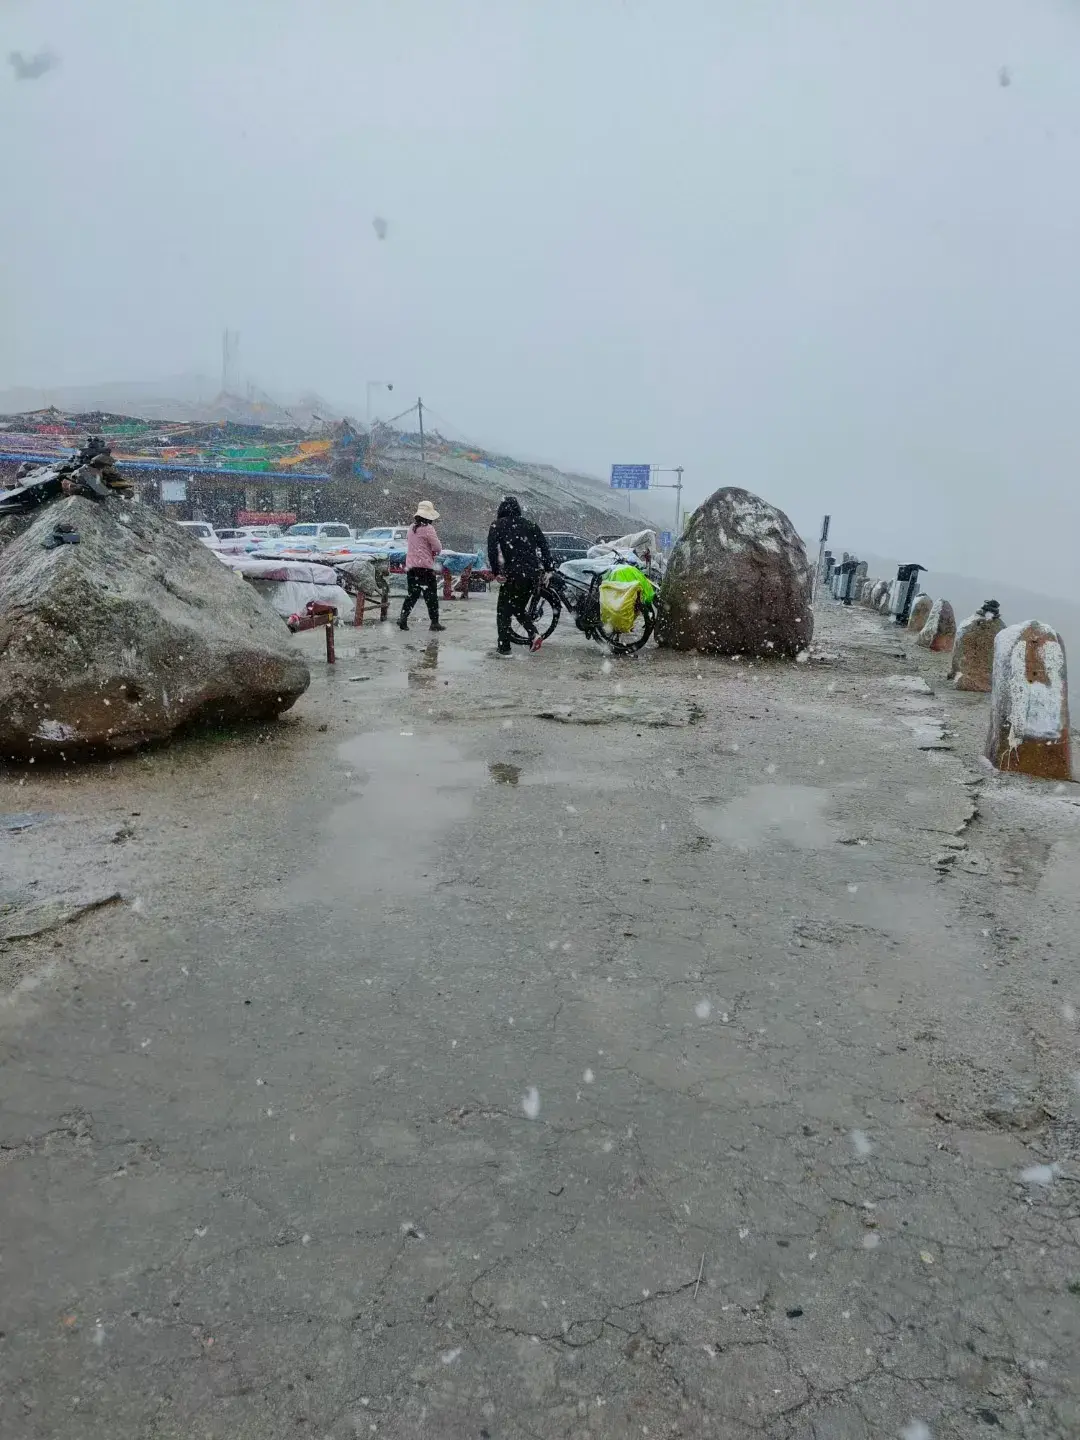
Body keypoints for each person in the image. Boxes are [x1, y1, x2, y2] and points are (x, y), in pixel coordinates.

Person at [487, 496, 553, 654]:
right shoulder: (530, 524)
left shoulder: (497, 525)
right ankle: (534, 633)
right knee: (517, 608)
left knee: (503, 611)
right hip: (532, 574)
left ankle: (504, 648)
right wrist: (549, 569)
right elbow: (544, 547)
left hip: (513, 574)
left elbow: (492, 550)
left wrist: (496, 572)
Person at [397, 501, 446, 632]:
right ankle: (434, 622)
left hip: (411, 567)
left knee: (412, 594)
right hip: (425, 568)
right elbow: (437, 547)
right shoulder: (428, 529)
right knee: (431, 596)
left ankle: (403, 617)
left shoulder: (411, 528)